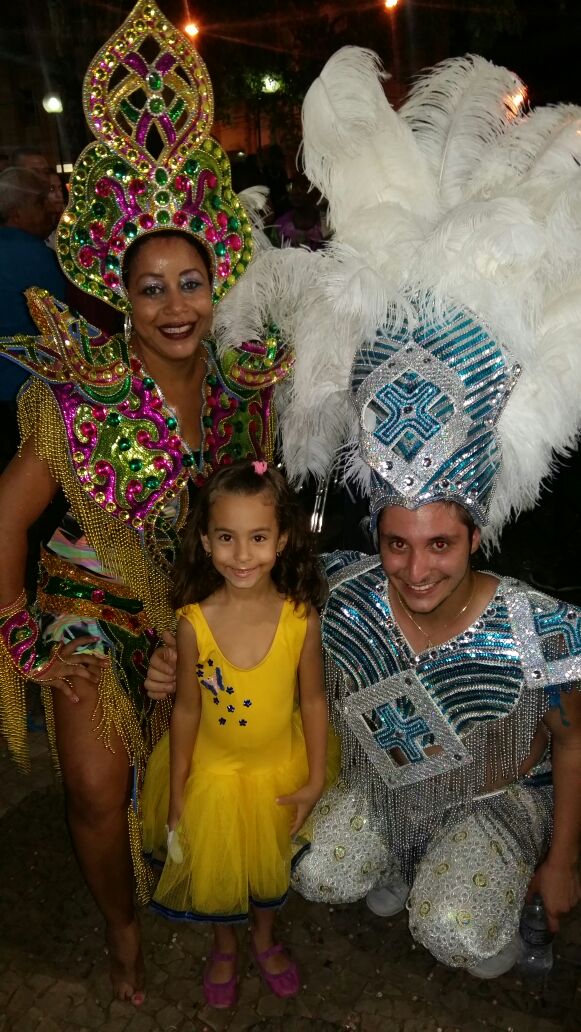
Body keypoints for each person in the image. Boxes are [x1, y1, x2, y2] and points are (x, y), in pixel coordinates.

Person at [147, 47, 581, 978]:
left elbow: (574, 738)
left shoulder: (538, 624)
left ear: (474, 534)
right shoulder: (341, 591)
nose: (416, 568)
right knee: (318, 870)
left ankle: (482, 878)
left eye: (439, 545)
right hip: (385, 791)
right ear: (371, 536)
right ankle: (402, 851)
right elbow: (245, 613)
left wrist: (562, 860)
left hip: (496, 799)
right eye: (395, 544)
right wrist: (173, 662)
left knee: (456, 928)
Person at [0, 0, 305, 1007]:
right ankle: (121, 934)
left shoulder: (246, 387)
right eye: (151, 289)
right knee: (94, 790)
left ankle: (229, 908)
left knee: (230, 774)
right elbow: (6, 517)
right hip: (90, 607)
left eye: (189, 283)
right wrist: (19, 634)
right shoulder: (78, 397)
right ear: (120, 298)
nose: (175, 306)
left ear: (217, 286)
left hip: (197, 607)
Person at [141, 461, 328, 1007]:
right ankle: (225, 943)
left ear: (282, 539)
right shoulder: (193, 623)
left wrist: (316, 777)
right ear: (205, 541)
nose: (242, 555)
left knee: (268, 868)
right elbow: (186, 712)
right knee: (220, 866)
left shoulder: (300, 619)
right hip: (214, 777)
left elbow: (313, 701)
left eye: (258, 538)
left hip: (279, 769)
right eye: (226, 537)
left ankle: (264, 937)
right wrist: (179, 789)